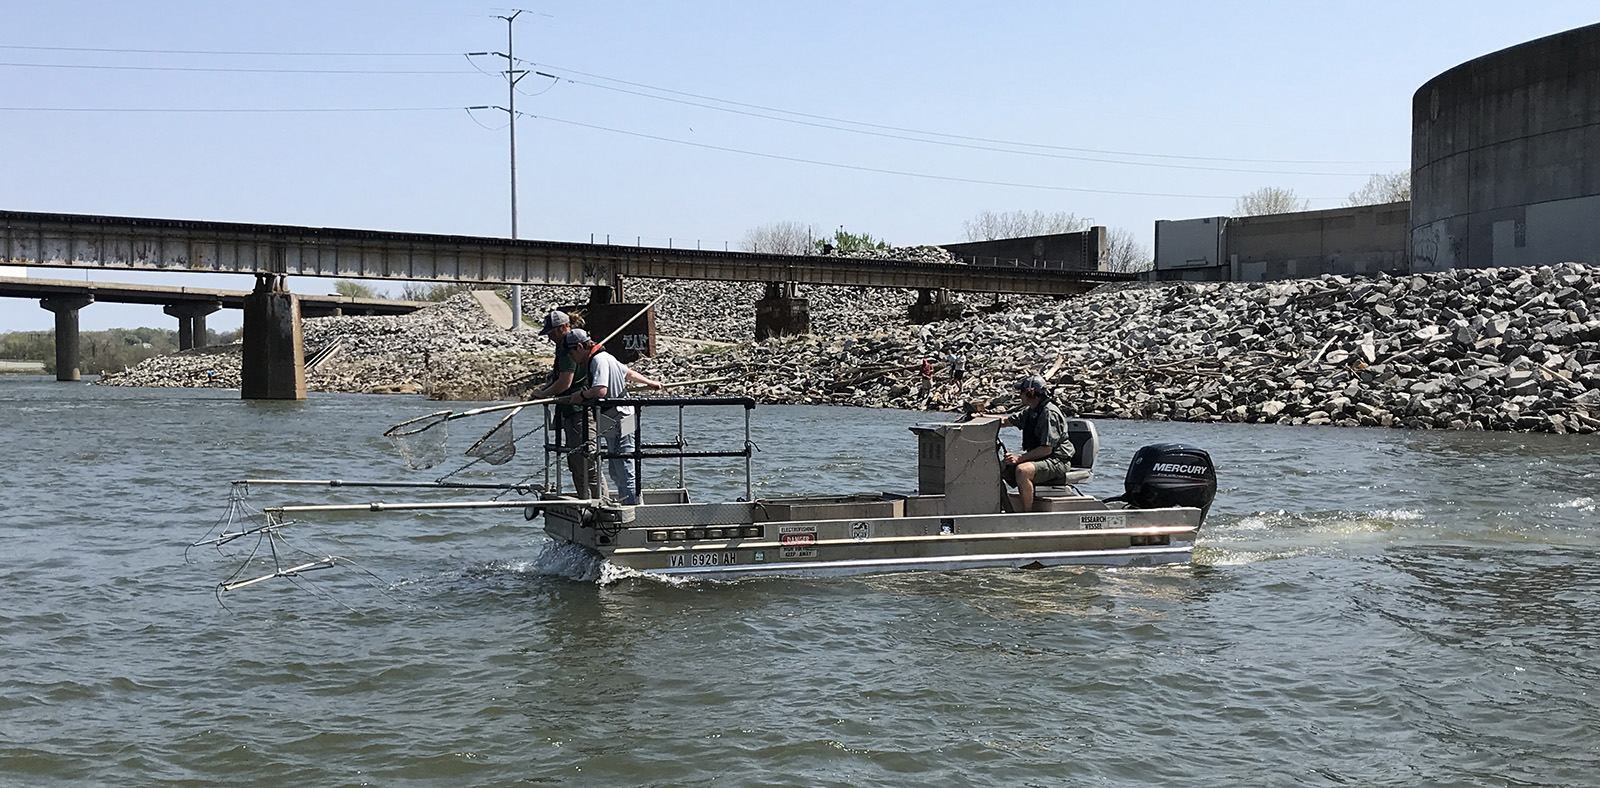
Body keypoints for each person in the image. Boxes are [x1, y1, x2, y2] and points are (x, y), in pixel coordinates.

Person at [563, 328, 664, 505]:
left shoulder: (599, 360)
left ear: (579, 347)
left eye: (571, 353)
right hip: (621, 417)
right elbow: (628, 373)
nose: (571, 358)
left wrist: (582, 396)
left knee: (624, 466)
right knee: (617, 469)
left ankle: (632, 507)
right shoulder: (607, 356)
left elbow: (601, 390)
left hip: (620, 418)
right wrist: (650, 382)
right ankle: (628, 502)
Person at [972, 375, 1073, 513]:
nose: (1019, 395)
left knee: (1022, 471)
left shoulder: (1049, 414)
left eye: (1021, 392)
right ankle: (1009, 511)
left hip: (1057, 460)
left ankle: (1027, 515)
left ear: (1030, 393)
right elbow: (1005, 421)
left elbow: (1046, 449)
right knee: (995, 469)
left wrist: (1019, 458)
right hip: (1041, 458)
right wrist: (979, 417)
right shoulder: (1031, 411)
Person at [529, 310, 591, 495]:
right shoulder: (562, 347)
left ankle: (594, 501)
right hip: (569, 409)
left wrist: (544, 394)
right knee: (575, 461)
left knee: (585, 462)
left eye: (552, 333)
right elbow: (558, 378)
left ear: (564, 327)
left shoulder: (569, 349)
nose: (550, 337)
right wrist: (543, 390)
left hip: (578, 410)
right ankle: (584, 497)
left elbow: (565, 382)